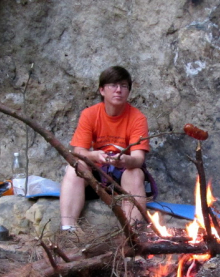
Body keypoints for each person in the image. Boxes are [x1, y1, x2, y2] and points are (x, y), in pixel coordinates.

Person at [59, 66, 151, 232]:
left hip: (121, 175)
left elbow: (138, 158)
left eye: (123, 86)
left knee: (135, 172)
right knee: (75, 167)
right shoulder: (90, 114)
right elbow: (78, 151)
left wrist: (124, 160)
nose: (118, 90)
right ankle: (68, 228)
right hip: (98, 171)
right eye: (113, 85)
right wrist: (94, 155)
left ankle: (134, 234)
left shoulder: (137, 118)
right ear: (102, 90)